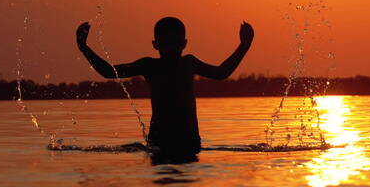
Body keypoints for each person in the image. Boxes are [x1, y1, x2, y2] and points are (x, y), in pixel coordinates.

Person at [76, 17, 254, 163]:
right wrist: (84, 47)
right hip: (161, 141)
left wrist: (244, 46)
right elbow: (108, 71)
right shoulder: (149, 65)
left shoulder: (188, 63)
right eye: (166, 42)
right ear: (156, 44)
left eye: (174, 42)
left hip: (188, 141)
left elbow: (221, 73)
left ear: (184, 43)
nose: (171, 47)